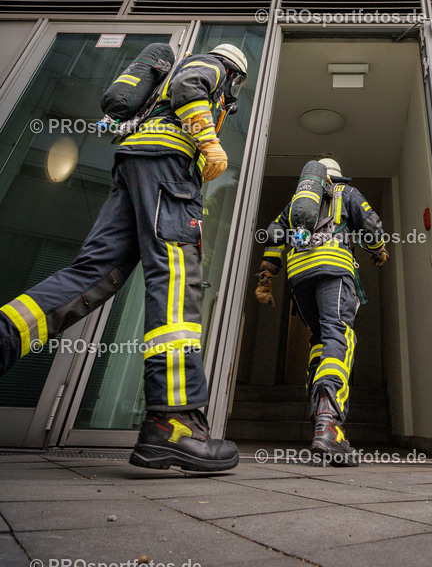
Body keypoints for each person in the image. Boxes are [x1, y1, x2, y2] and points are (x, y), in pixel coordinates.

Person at [0, 43, 248, 474]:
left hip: (133, 161)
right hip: (168, 167)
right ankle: (174, 420)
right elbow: (191, 85)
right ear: (237, 73)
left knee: (94, 274)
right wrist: (208, 143)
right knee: (174, 277)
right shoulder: (213, 65)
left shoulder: (163, 87)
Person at [255, 156, 387, 464]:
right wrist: (378, 249)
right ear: (336, 179)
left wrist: (267, 278)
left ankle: (318, 415)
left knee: (319, 340)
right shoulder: (345, 194)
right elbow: (371, 224)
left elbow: (275, 235)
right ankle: (329, 424)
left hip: (299, 277)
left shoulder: (294, 205)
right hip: (332, 268)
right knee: (339, 336)